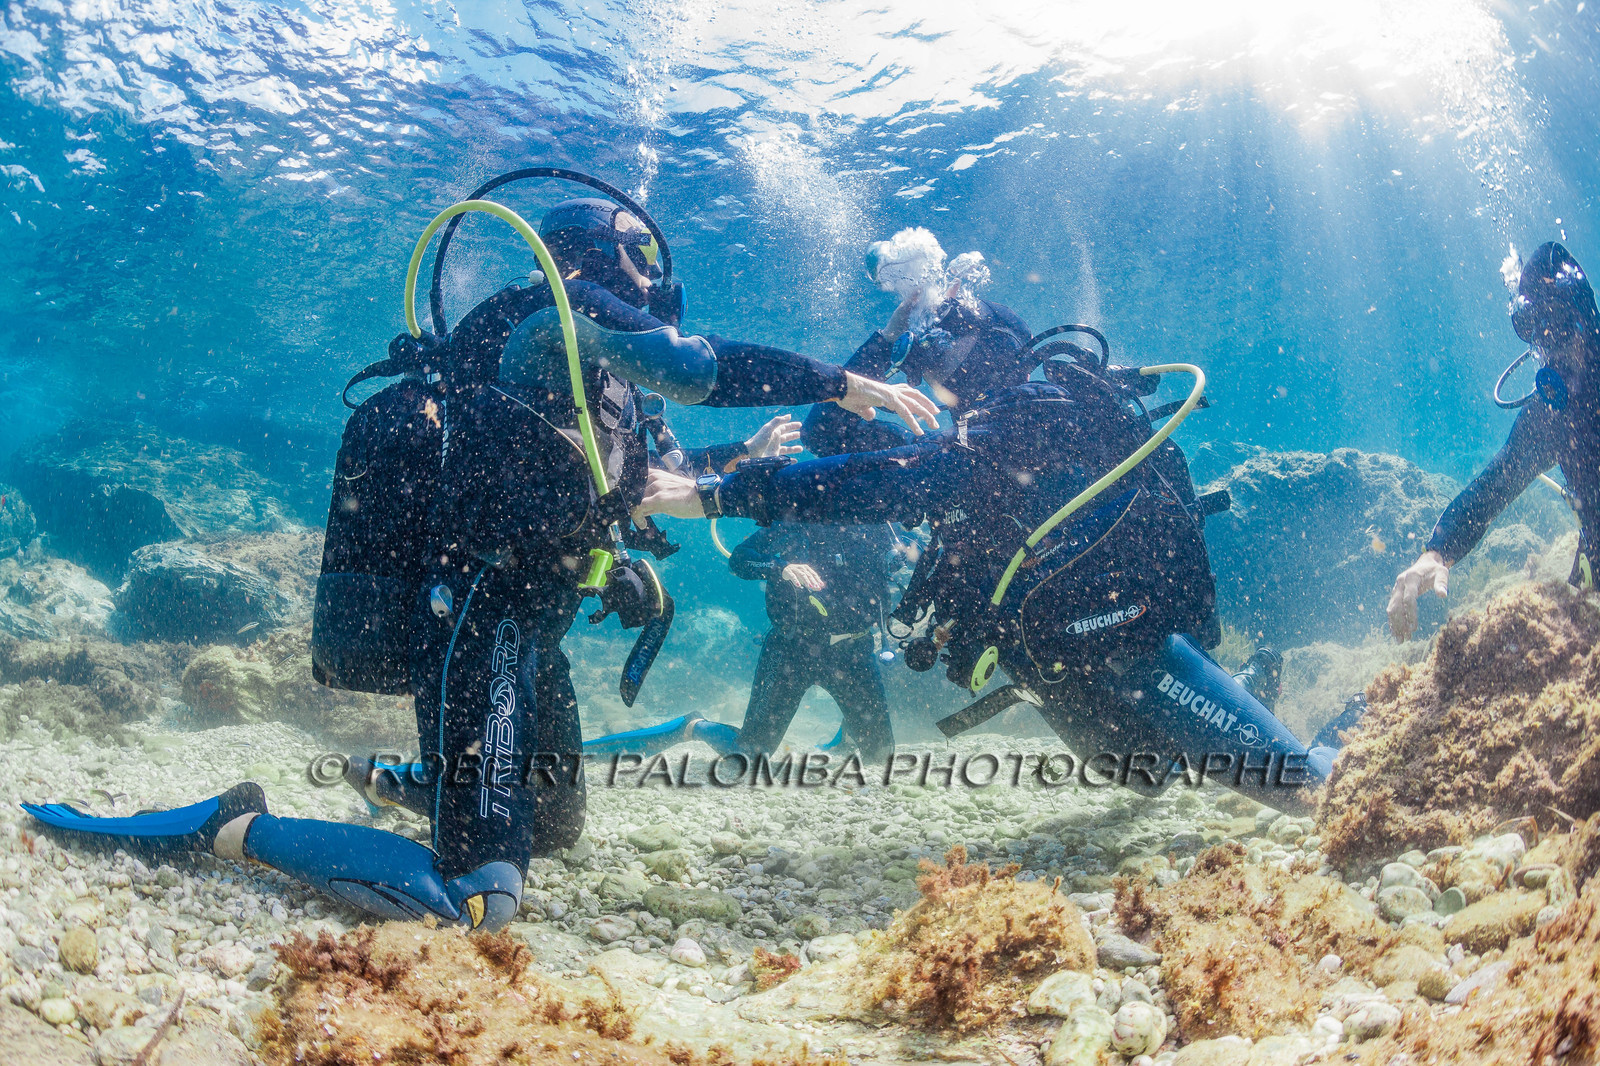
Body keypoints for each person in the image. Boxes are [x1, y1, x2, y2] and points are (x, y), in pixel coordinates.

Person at [22, 183, 938, 933]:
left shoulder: (596, 382)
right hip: (478, 612)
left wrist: (736, 460)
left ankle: (429, 782)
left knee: (558, 829)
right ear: (597, 253)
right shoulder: (544, 313)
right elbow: (694, 367)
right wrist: (839, 383)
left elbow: (642, 480)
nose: (654, 277)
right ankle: (235, 826)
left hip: (537, 626)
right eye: (641, 254)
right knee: (477, 900)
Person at [638, 263, 1338, 811]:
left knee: (1311, 793)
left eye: (937, 354)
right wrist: (885, 344)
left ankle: (1331, 726)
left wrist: (720, 493)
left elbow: (888, 482)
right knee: (1146, 776)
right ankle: (1246, 689)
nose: (925, 371)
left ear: (983, 351)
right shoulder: (983, 430)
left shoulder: (1034, 416)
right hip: (1053, 657)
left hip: (1127, 642)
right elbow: (829, 432)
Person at [1388, 242, 1600, 642]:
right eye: (1537, 334)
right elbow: (1494, 484)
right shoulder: (1552, 415)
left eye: (1559, 328)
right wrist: (1436, 553)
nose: (1549, 351)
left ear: (1585, 319)